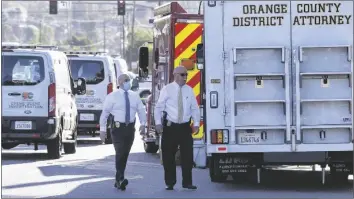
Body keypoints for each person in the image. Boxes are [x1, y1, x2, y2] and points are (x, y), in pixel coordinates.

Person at [154, 66, 200, 190]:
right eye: (183, 74)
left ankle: (187, 182)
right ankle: (170, 182)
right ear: (175, 75)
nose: (185, 77)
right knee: (168, 156)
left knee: (187, 157)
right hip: (170, 128)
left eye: (186, 75)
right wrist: (158, 123)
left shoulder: (189, 90)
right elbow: (159, 107)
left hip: (185, 128)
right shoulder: (167, 89)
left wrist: (196, 124)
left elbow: (195, 108)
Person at [99, 73, 146, 191]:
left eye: (129, 80)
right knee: (120, 152)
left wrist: (143, 124)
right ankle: (120, 178)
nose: (128, 82)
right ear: (120, 82)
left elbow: (141, 110)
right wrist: (103, 130)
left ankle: (117, 180)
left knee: (125, 153)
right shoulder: (112, 96)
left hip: (130, 128)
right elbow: (104, 114)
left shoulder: (134, 96)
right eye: (126, 80)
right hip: (117, 128)